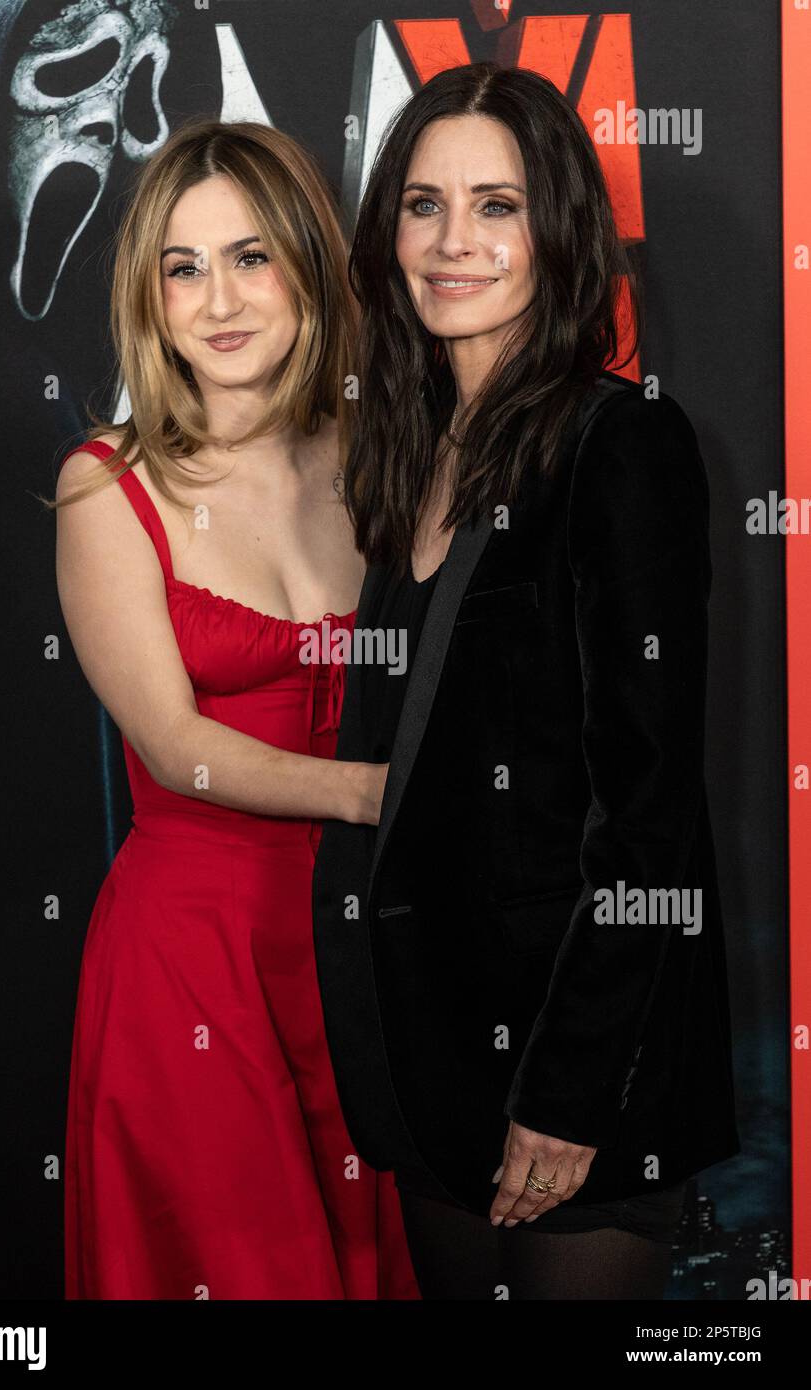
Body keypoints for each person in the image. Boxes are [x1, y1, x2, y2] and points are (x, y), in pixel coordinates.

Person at [312, 63, 740, 1300]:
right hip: (433, 1059)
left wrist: (568, 1092)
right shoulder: (407, 459)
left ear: (555, 229)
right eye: (423, 204)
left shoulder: (622, 444)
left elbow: (650, 816)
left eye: (494, 206)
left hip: (577, 1081)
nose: (452, 243)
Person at [48, 117, 419, 1300]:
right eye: (184, 266)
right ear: (149, 297)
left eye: (251, 257)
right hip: (194, 960)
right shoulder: (107, 482)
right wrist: (391, 795)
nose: (220, 300)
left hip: (361, 951)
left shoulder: (378, 456)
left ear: (307, 265)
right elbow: (175, 743)